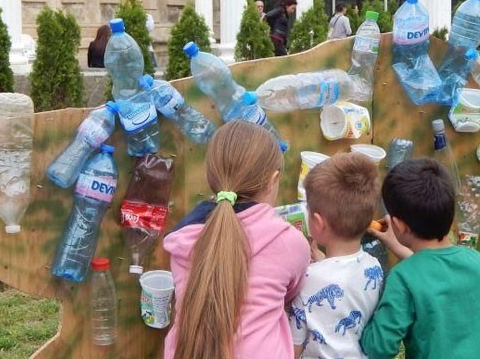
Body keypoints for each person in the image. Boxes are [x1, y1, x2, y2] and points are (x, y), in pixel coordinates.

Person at [163, 120, 310, 359]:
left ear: (210, 175)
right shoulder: (290, 242)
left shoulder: (182, 238)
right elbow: (292, 293)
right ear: (273, 180)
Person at [360, 157, 480, 359]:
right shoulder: (475, 261)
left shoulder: (403, 278)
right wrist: (396, 245)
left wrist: (361, 322)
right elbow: (432, 271)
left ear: (399, 225)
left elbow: (380, 348)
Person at [289, 152, 382, 358]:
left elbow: (293, 349)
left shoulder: (308, 279)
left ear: (318, 223)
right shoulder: (374, 266)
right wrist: (325, 263)